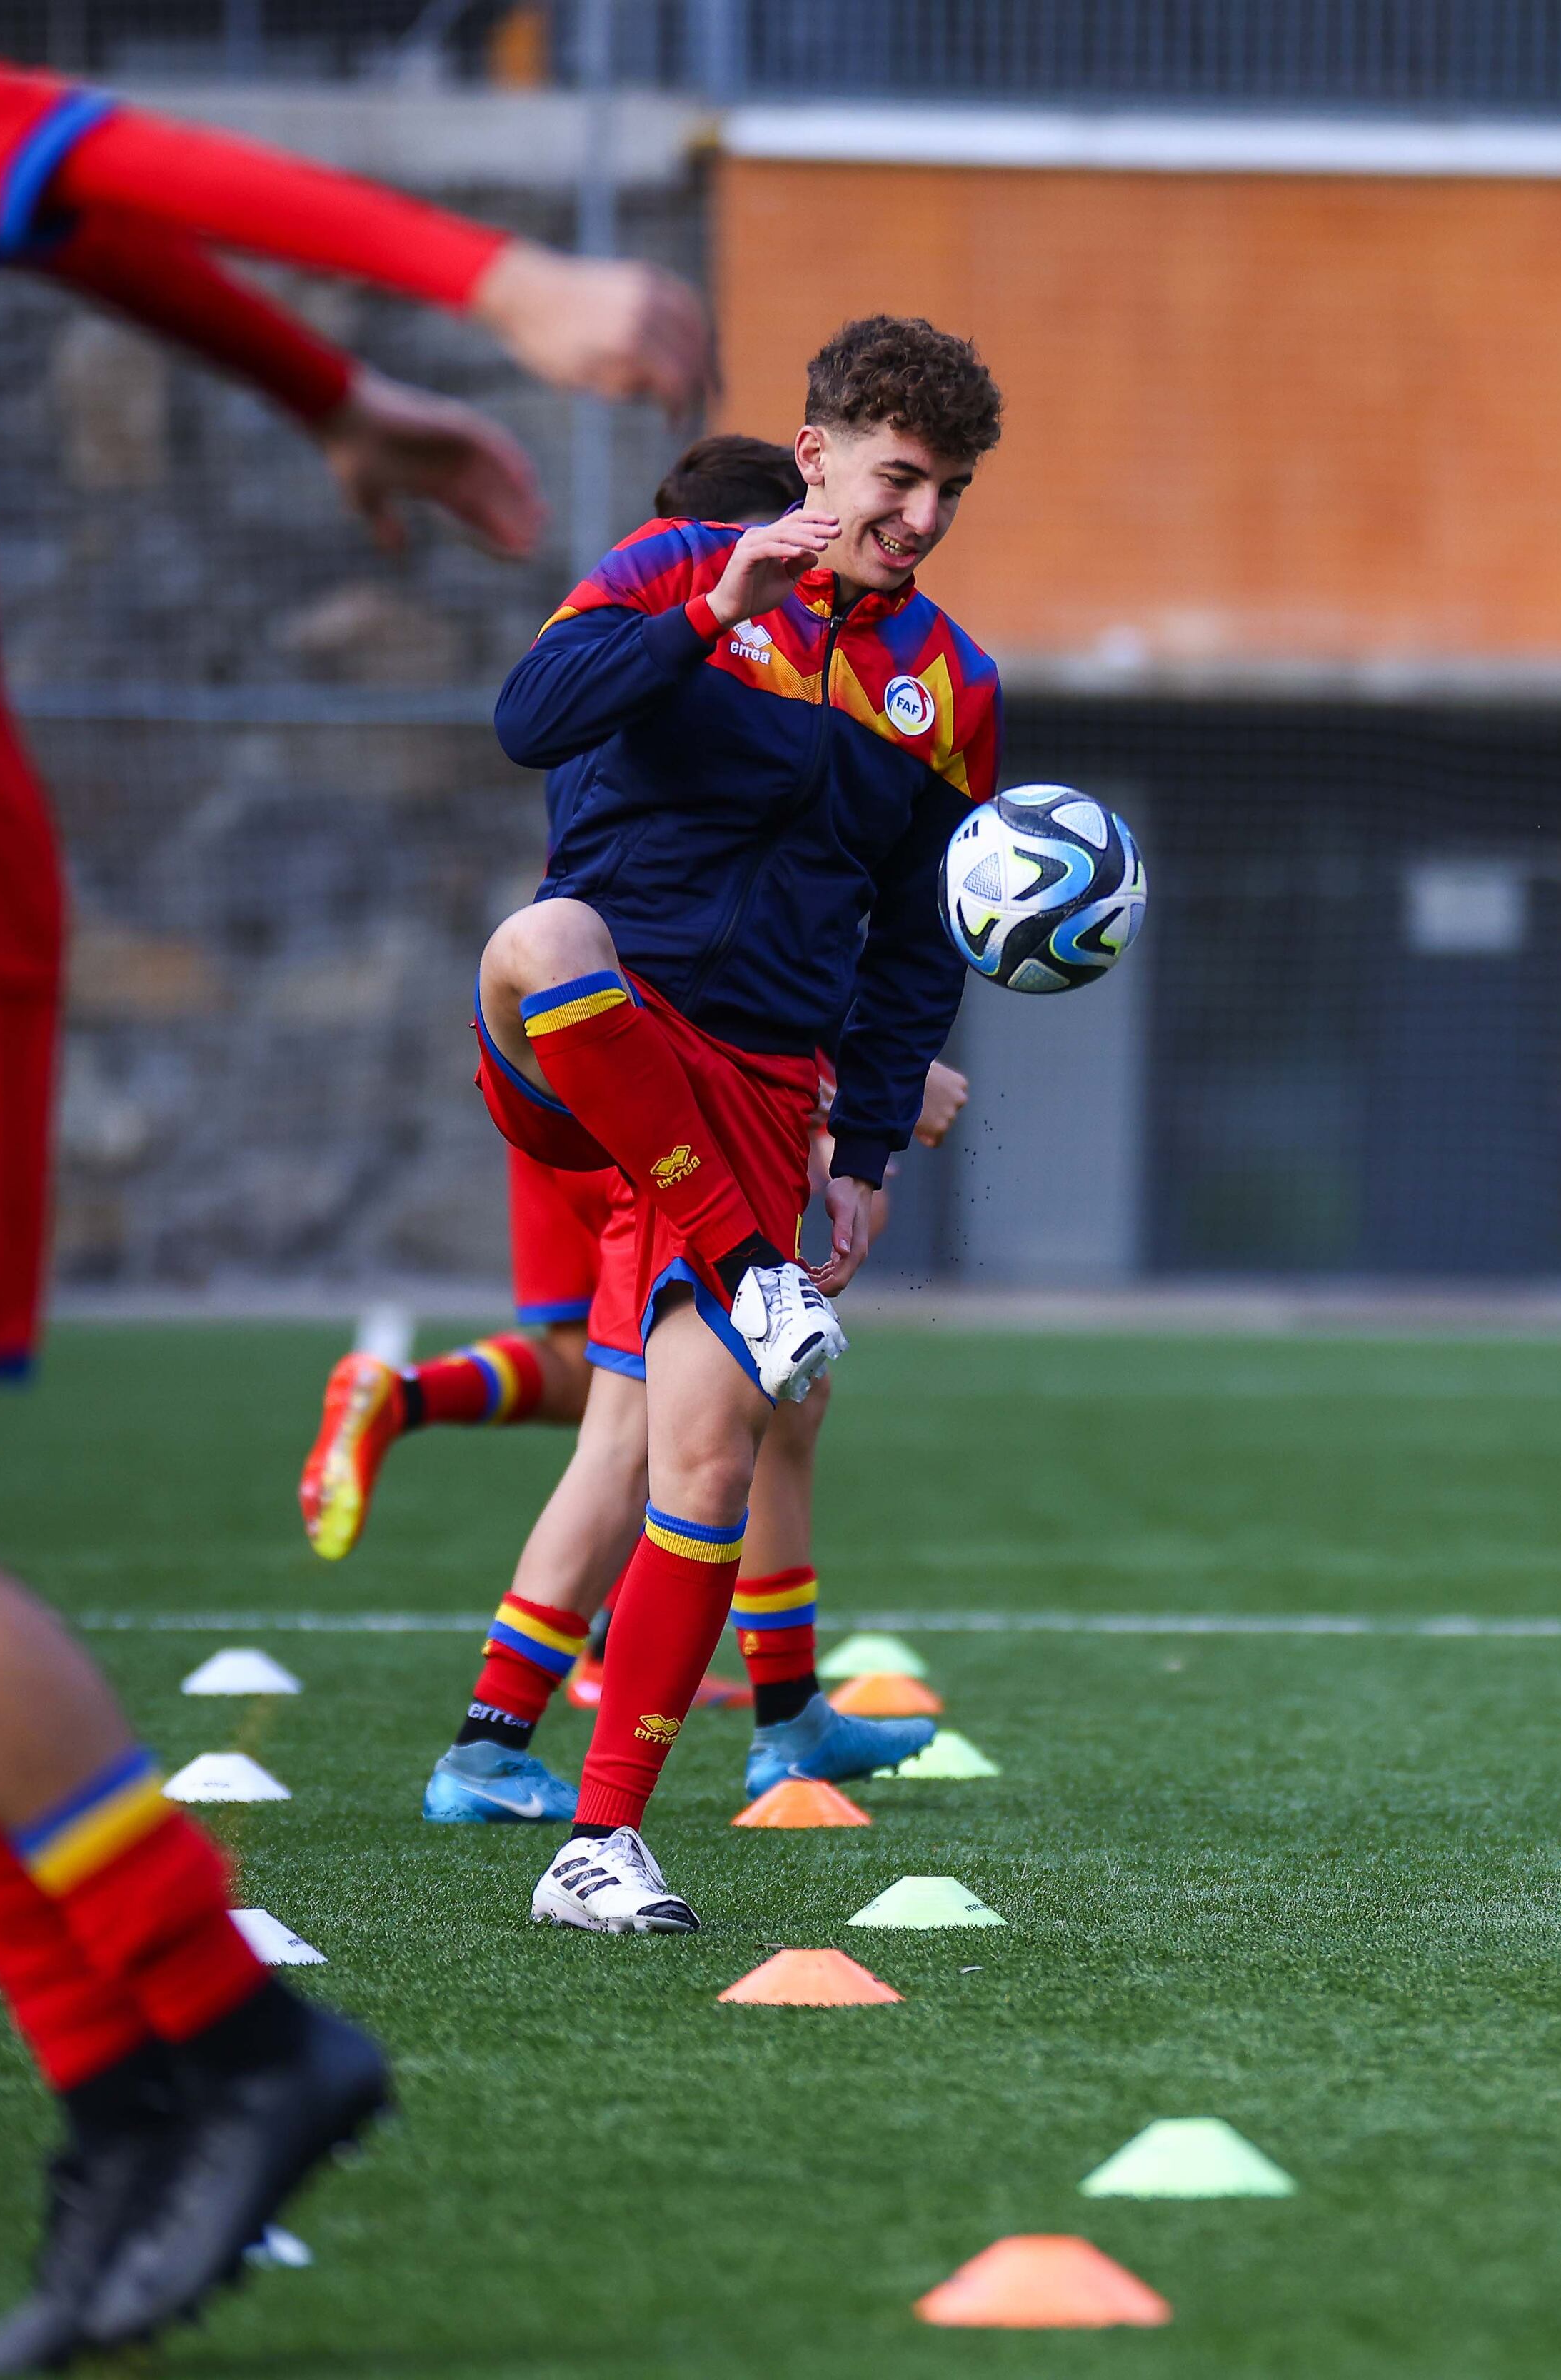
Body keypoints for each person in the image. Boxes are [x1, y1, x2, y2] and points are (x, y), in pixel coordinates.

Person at [0, 6, 708, 2364]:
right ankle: (134, 2092)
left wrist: (491, 294)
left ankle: (232, 2044)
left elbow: (94, 154)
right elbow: (56, 209)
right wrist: (321, 395)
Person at [475, 315, 1004, 1934]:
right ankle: (736, 1265)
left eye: (950, 494)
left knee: (702, 1451)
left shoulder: (957, 686)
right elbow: (531, 712)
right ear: (820, 451)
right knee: (541, 939)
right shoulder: (668, 564)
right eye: (898, 478)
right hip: (593, 1037)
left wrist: (856, 1159)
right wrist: (713, 608)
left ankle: (600, 1841)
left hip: (764, 1096)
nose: (917, 518)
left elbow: (917, 942)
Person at [298, 438, 827, 1570]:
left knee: (595, 1361)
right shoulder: (735, 674)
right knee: (718, 1379)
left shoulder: (612, 650)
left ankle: (400, 1397)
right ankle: (681, 1702)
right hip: (651, 1067)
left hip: (555, 1043)